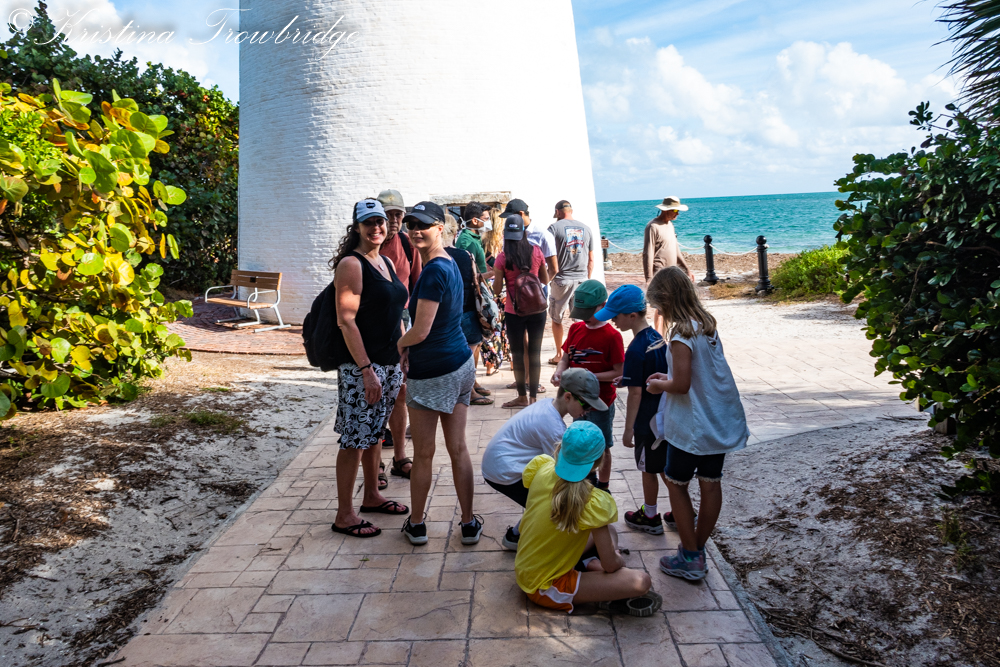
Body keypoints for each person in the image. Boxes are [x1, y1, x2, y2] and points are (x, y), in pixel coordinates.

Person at [645, 266, 750, 580]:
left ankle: (690, 557)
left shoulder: (681, 334)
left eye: (658, 305)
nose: (658, 312)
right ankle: (697, 548)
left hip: (693, 427)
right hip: (717, 421)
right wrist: (669, 376)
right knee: (711, 482)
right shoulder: (706, 325)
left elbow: (682, 385)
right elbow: (695, 373)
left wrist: (659, 385)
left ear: (666, 301)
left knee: (676, 482)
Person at [396, 201, 484, 546]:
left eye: (424, 225)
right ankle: (469, 523)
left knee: (424, 454)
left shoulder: (433, 271)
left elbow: (421, 330)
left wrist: (399, 345)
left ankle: (417, 524)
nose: (416, 231)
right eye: (411, 225)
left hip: (434, 371)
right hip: (461, 364)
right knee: (458, 448)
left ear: (440, 228)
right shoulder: (450, 260)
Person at [515, 421, 661, 616]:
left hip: (527, 566)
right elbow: (611, 565)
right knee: (641, 582)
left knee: (609, 531)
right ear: (598, 462)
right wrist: (616, 561)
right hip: (544, 587)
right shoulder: (591, 501)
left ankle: (589, 565)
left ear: (561, 448)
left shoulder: (542, 467)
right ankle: (600, 592)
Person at [330, 199, 410, 538]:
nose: (376, 227)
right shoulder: (352, 263)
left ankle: (372, 495)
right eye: (369, 222)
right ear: (357, 227)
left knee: (376, 432)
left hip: (389, 363)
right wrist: (366, 369)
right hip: (362, 367)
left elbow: (396, 312)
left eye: (380, 221)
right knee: (354, 439)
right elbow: (346, 320)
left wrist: (403, 351)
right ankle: (344, 515)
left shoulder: (386, 261)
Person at [481, 368, 606, 551]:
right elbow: (566, 473)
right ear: (568, 397)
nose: (587, 411)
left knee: (546, 495)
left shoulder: (549, 406)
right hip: (504, 472)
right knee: (559, 501)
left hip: (500, 465)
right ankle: (527, 541)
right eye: (586, 405)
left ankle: (515, 535)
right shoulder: (553, 427)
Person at [595, 285, 669, 534]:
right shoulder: (656, 338)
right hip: (664, 415)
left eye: (616, 316)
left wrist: (629, 430)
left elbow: (636, 393)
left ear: (632, 315)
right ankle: (682, 510)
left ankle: (650, 515)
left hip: (647, 422)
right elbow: (648, 375)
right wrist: (626, 378)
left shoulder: (636, 349)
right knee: (665, 467)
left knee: (649, 469)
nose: (613, 321)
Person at [551, 280, 624, 490]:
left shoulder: (612, 336)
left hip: (601, 401)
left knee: (602, 446)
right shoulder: (575, 329)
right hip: (576, 401)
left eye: (588, 313)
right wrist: (560, 371)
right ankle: (584, 481)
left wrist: (588, 376)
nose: (584, 318)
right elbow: (566, 358)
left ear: (603, 306)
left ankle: (603, 486)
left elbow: (618, 371)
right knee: (579, 442)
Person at [377, 189, 419, 482]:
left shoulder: (406, 244)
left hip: (400, 323)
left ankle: (400, 457)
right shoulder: (367, 244)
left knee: (400, 391)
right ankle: (375, 463)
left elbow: (416, 287)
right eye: (387, 214)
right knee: (375, 393)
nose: (393, 220)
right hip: (371, 325)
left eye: (398, 214)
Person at [500, 198, 557, 395]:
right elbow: (544, 276)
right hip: (527, 302)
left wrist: (531, 289)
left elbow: (553, 268)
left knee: (522, 351)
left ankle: (526, 392)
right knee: (529, 348)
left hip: (524, 303)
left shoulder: (541, 235)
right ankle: (529, 389)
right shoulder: (532, 247)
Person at [493, 214, 549, 409]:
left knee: (517, 354)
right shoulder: (536, 251)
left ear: (506, 235)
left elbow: (497, 290)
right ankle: (533, 398)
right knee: (535, 353)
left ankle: (522, 397)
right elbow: (545, 280)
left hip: (514, 311)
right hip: (537, 310)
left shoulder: (502, 258)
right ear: (523, 233)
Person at [442, 214, 493, 406]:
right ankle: (469, 390)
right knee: (470, 350)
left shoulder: (434, 257)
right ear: (455, 232)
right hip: (467, 309)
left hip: (449, 311)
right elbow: (475, 280)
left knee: (469, 350)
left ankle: (472, 384)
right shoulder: (464, 255)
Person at [547, 200, 594, 366]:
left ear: (558, 212)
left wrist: (547, 278)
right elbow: (591, 260)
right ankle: (580, 352)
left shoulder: (553, 228)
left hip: (562, 279)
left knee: (556, 318)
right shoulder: (586, 229)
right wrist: (587, 279)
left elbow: (548, 256)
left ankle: (559, 354)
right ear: (571, 211)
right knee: (580, 319)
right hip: (582, 279)